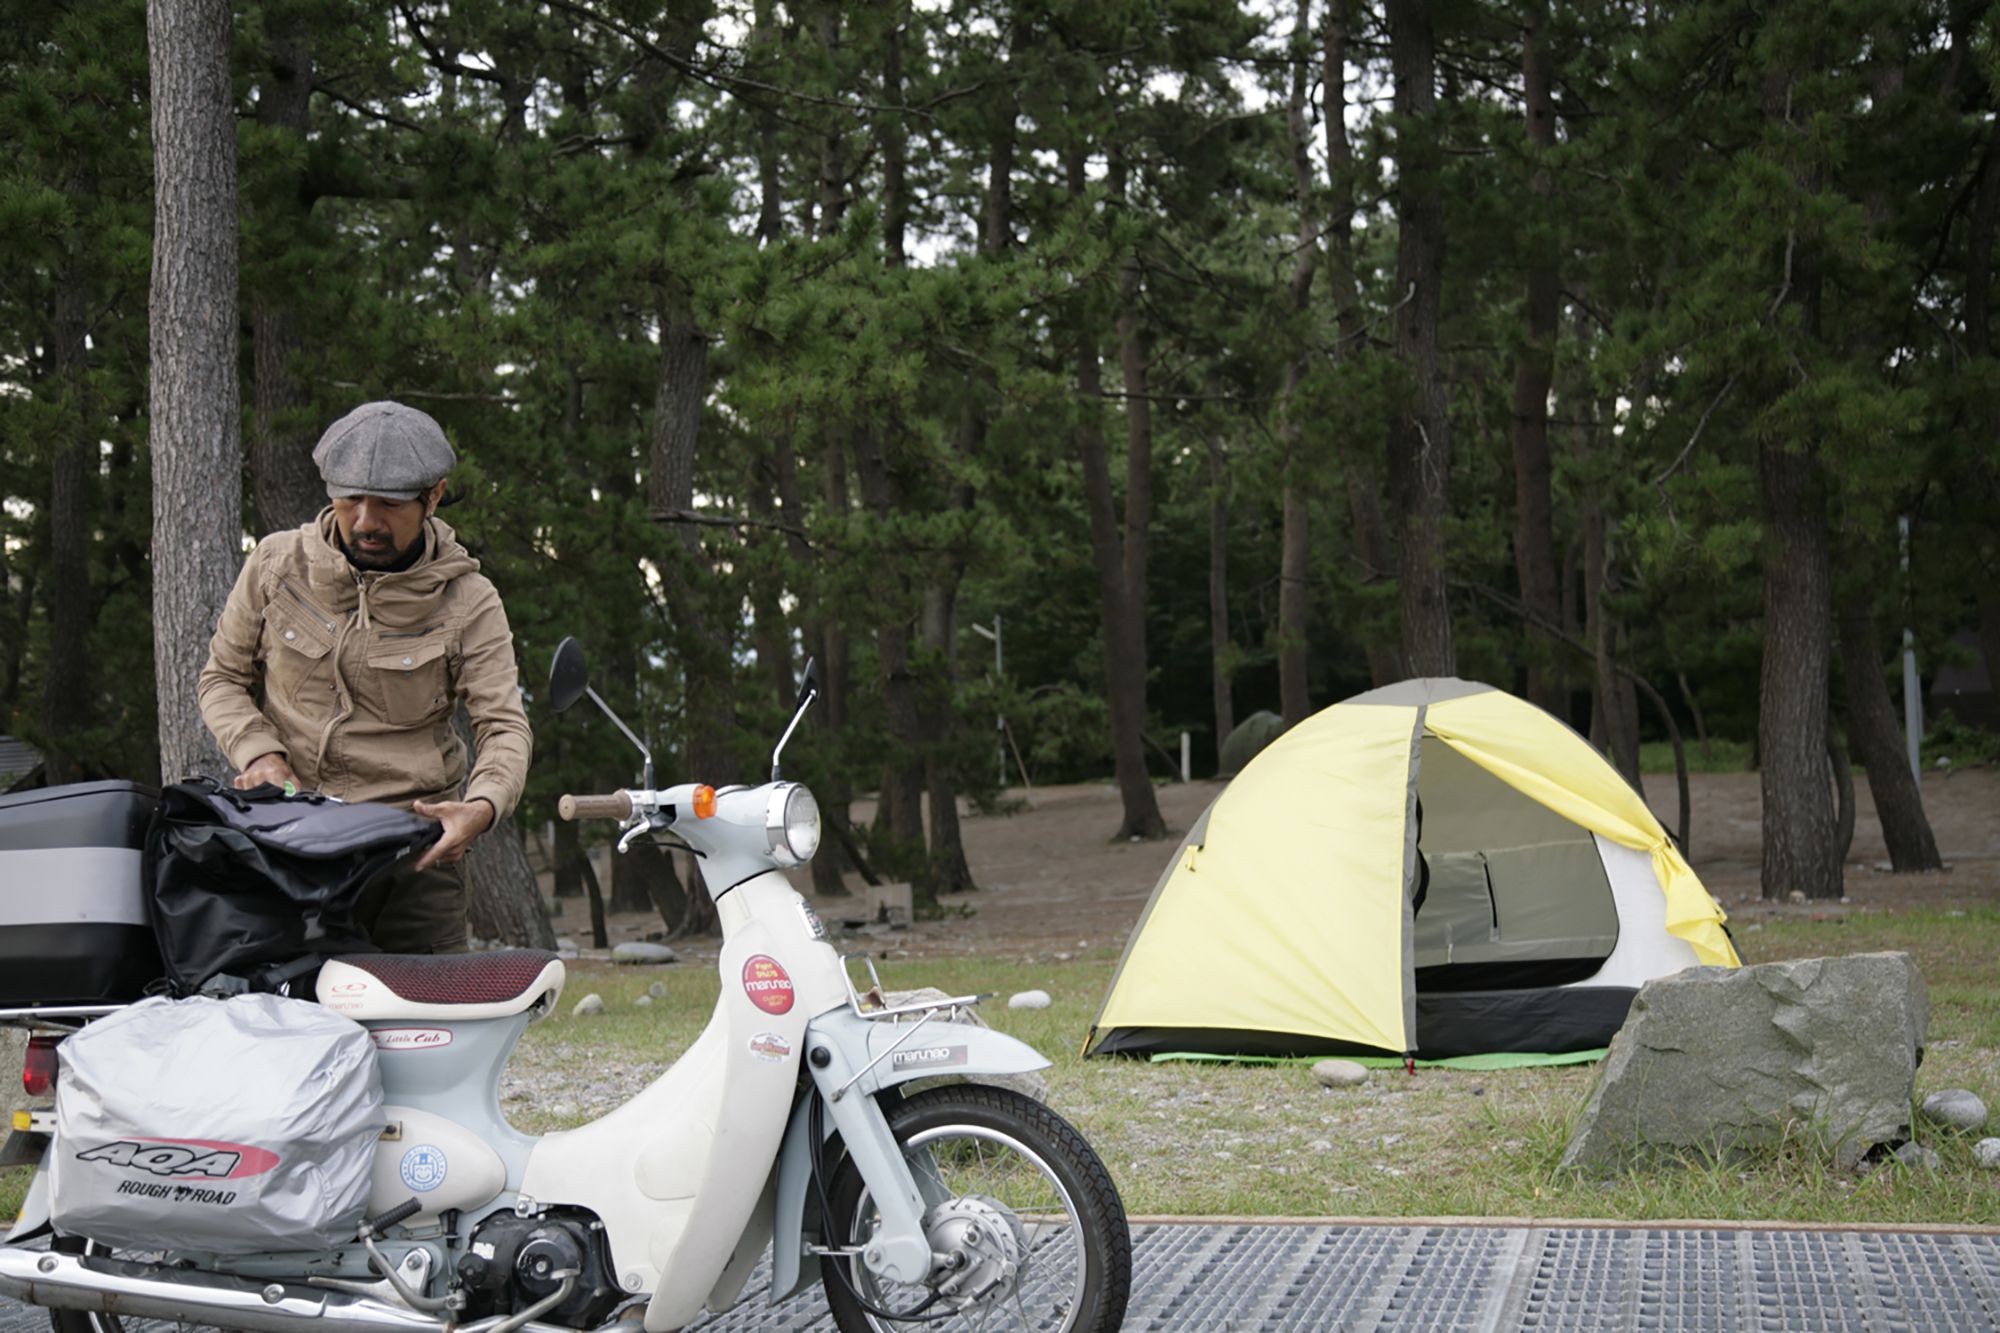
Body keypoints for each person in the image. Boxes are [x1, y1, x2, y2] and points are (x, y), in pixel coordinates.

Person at [198, 401, 533, 953]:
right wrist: (260, 754)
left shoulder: (469, 600)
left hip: (415, 857)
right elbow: (222, 679)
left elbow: (504, 727)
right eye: (350, 499)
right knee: (293, 1027)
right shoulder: (275, 567)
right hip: (291, 845)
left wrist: (482, 806)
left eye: (389, 504)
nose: (365, 521)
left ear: (434, 496)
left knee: (432, 1027)